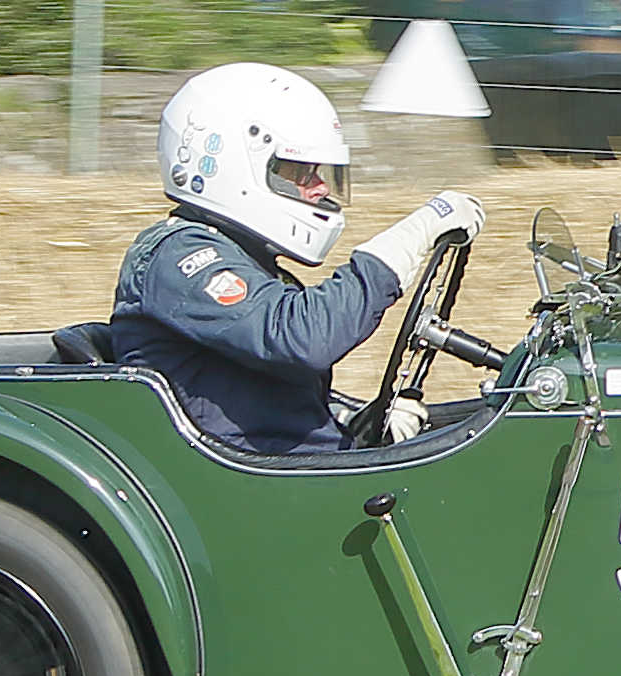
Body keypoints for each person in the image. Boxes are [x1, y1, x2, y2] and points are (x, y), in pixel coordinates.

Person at [109, 62, 485, 454]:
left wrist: (352, 419)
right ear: (233, 166)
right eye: (300, 172)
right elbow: (303, 337)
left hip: (288, 466)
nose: (320, 187)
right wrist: (413, 235)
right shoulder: (179, 255)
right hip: (244, 483)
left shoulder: (248, 260)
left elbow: (269, 389)